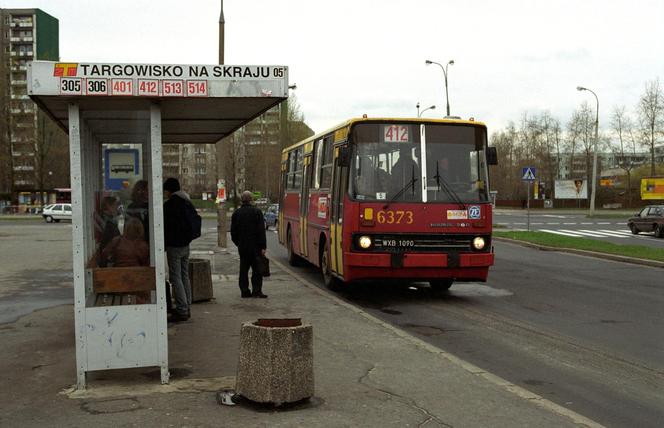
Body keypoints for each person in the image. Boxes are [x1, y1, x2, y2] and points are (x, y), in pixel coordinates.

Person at [163, 177, 193, 322]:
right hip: (186, 245)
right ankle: (187, 305)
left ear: (169, 190)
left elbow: (166, 226)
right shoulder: (186, 201)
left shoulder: (169, 205)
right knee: (184, 275)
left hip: (174, 245)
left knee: (175, 277)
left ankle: (182, 309)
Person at [231, 191, 267, 298]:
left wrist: (238, 243)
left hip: (243, 246)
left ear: (242, 200)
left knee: (243, 269)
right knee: (257, 270)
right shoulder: (257, 212)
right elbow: (261, 231)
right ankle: (257, 290)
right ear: (251, 200)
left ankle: (244, 290)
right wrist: (263, 246)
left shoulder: (237, 213)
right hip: (255, 247)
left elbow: (233, 232)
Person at [94, 196, 121, 267]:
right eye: (115, 205)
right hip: (108, 257)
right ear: (108, 206)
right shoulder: (105, 221)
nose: (116, 208)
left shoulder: (110, 220)